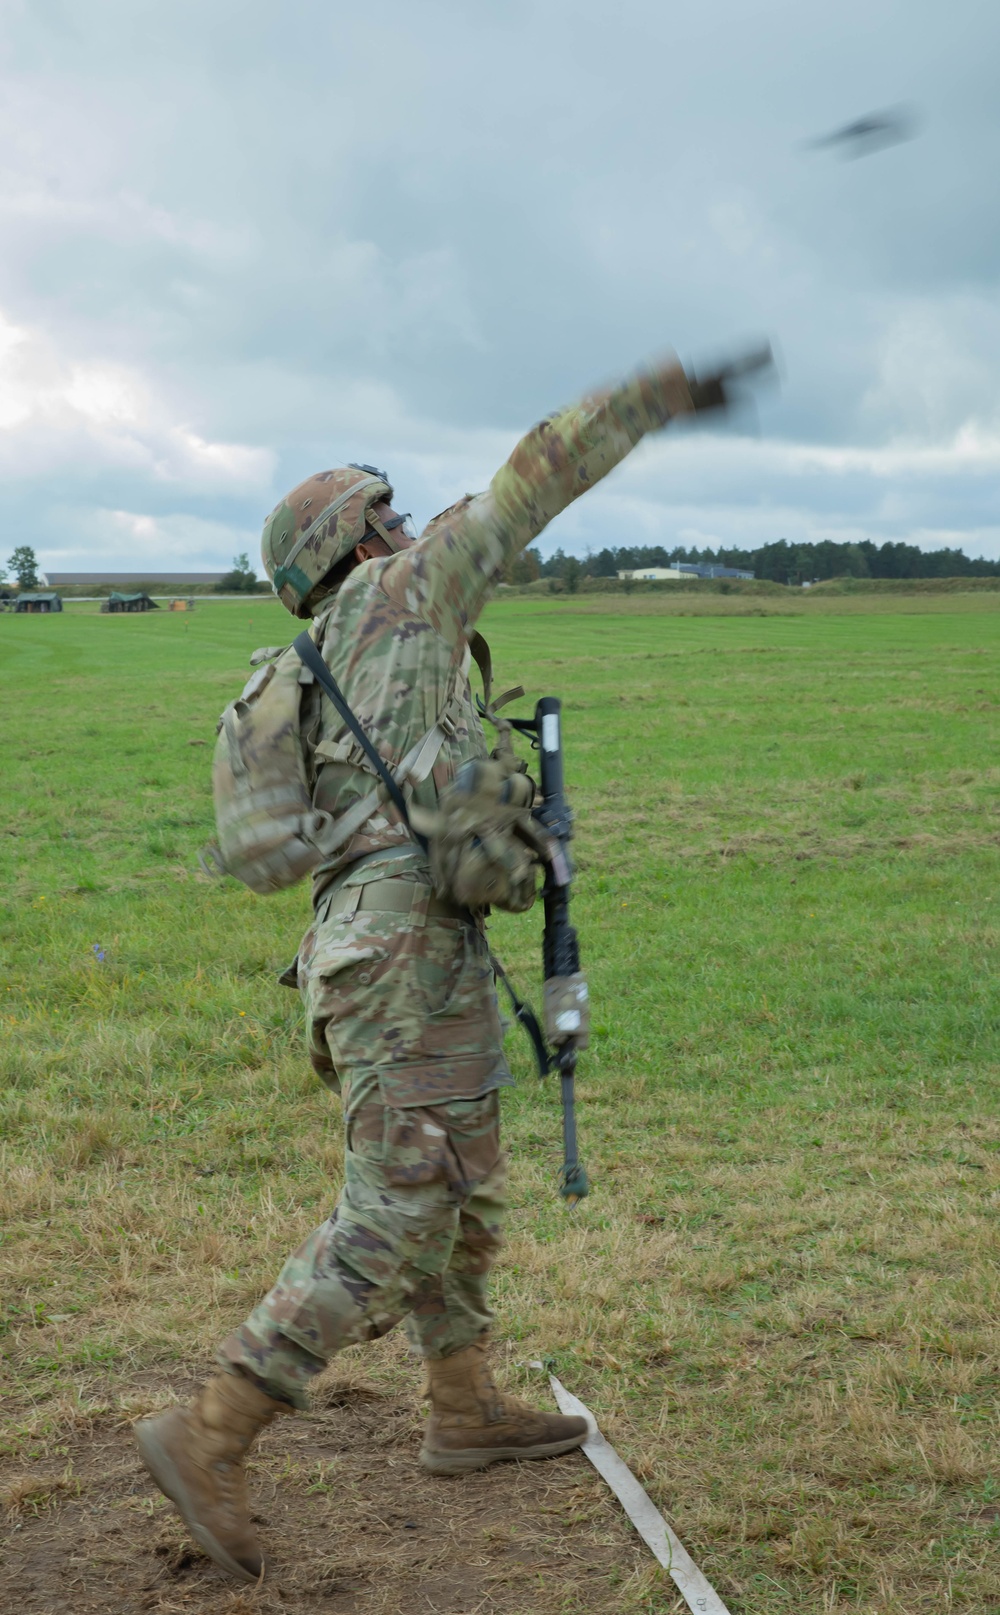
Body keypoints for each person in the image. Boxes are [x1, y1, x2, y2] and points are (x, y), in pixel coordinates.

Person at [135, 350, 763, 1584]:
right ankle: (211, 1428)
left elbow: (263, 856)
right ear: (359, 537)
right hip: (402, 944)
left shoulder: (303, 660)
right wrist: (658, 393)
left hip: (389, 938)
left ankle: (462, 1407)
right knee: (399, 1202)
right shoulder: (408, 597)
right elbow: (536, 477)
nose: (414, 524)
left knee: (462, 1181)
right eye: (391, 511)